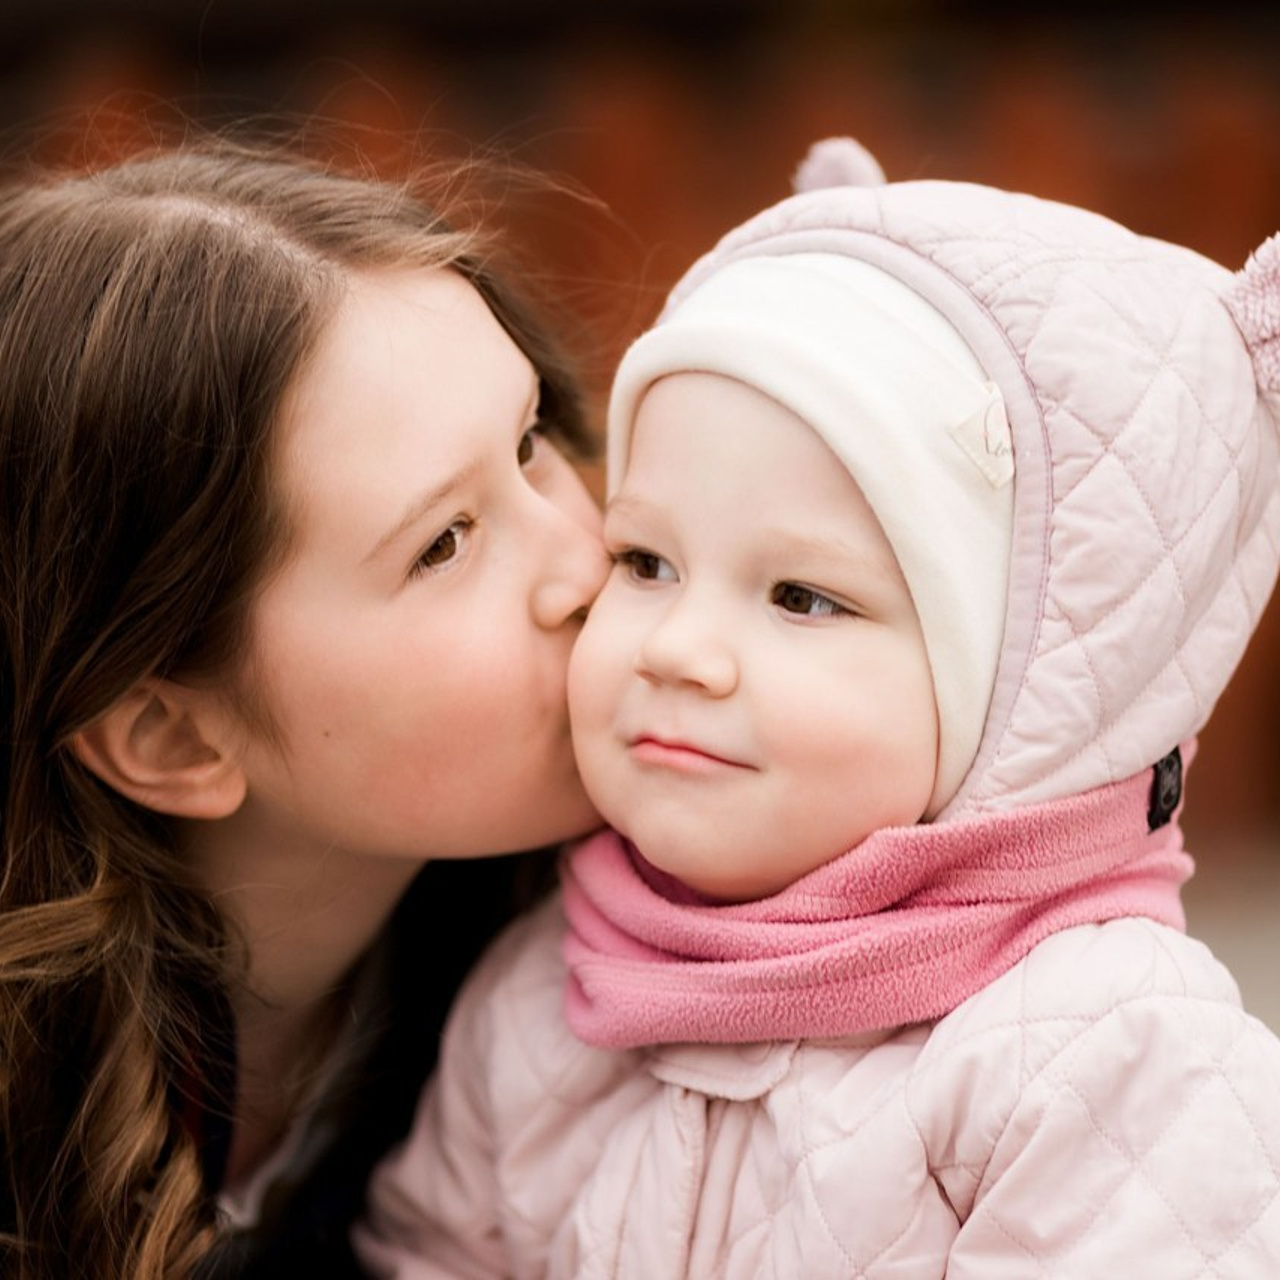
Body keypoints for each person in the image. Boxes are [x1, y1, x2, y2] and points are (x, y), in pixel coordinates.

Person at [356, 136, 1280, 1276]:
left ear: (1016, 697)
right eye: (644, 559)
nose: (682, 649)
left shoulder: (1102, 1061)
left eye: (801, 595)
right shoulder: (542, 994)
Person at [0, 136, 610, 1278]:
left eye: (529, 444)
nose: (584, 560)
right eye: (442, 544)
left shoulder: (648, 893)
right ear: (169, 735)